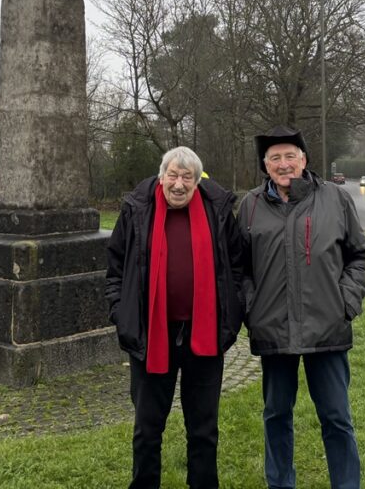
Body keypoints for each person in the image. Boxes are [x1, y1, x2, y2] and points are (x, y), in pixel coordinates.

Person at [240, 125, 365, 489]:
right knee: (276, 416)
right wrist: (252, 308)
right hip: (273, 329)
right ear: (265, 165)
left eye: (290, 156)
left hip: (327, 328)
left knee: (336, 418)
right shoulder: (250, 206)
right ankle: (280, 484)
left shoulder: (334, 198)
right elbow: (238, 269)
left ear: (303, 160)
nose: (283, 164)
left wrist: (344, 302)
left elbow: (362, 257)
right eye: (275, 158)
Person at [105, 146, 246, 489]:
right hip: (152, 335)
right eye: (173, 175)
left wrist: (232, 314)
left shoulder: (219, 212)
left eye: (187, 177)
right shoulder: (137, 210)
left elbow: (238, 268)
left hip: (205, 334)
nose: (179, 184)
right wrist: (121, 314)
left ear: (198, 182)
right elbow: (115, 268)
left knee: (204, 429)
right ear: (161, 176)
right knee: (148, 428)